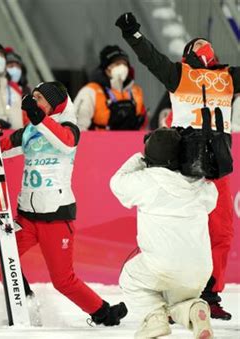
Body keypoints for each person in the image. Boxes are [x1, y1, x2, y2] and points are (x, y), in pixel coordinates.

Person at [0, 81, 128, 327]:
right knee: (2, 255)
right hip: (27, 217)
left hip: (56, 215)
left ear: (54, 104)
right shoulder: (31, 130)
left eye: (40, 98)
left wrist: (37, 117)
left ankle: (103, 313)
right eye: (33, 98)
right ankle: (25, 301)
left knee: (63, 280)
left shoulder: (69, 128)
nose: (35, 101)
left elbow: (64, 141)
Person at [115, 12, 239, 320]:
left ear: (187, 58)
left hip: (181, 167)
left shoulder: (179, 75)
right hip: (216, 167)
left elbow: (150, 58)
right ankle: (207, 296)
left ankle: (179, 296)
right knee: (221, 234)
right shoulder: (229, 78)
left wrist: (133, 35)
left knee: (179, 231)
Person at [111, 128, 217, 339]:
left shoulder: (145, 181)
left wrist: (140, 158)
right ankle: (195, 310)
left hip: (161, 266)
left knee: (130, 277)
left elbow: (117, 181)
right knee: (178, 300)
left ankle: (154, 319)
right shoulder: (198, 185)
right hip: (201, 269)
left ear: (149, 155)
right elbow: (211, 198)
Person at [73, 45, 146, 131]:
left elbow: (143, 124)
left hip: (132, 143)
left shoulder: (136, 91)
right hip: (100, 143)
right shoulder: (90, 91)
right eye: (117, 64)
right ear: (107, 68)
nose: (122, 67)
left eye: (125, 64)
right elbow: (78, 127)